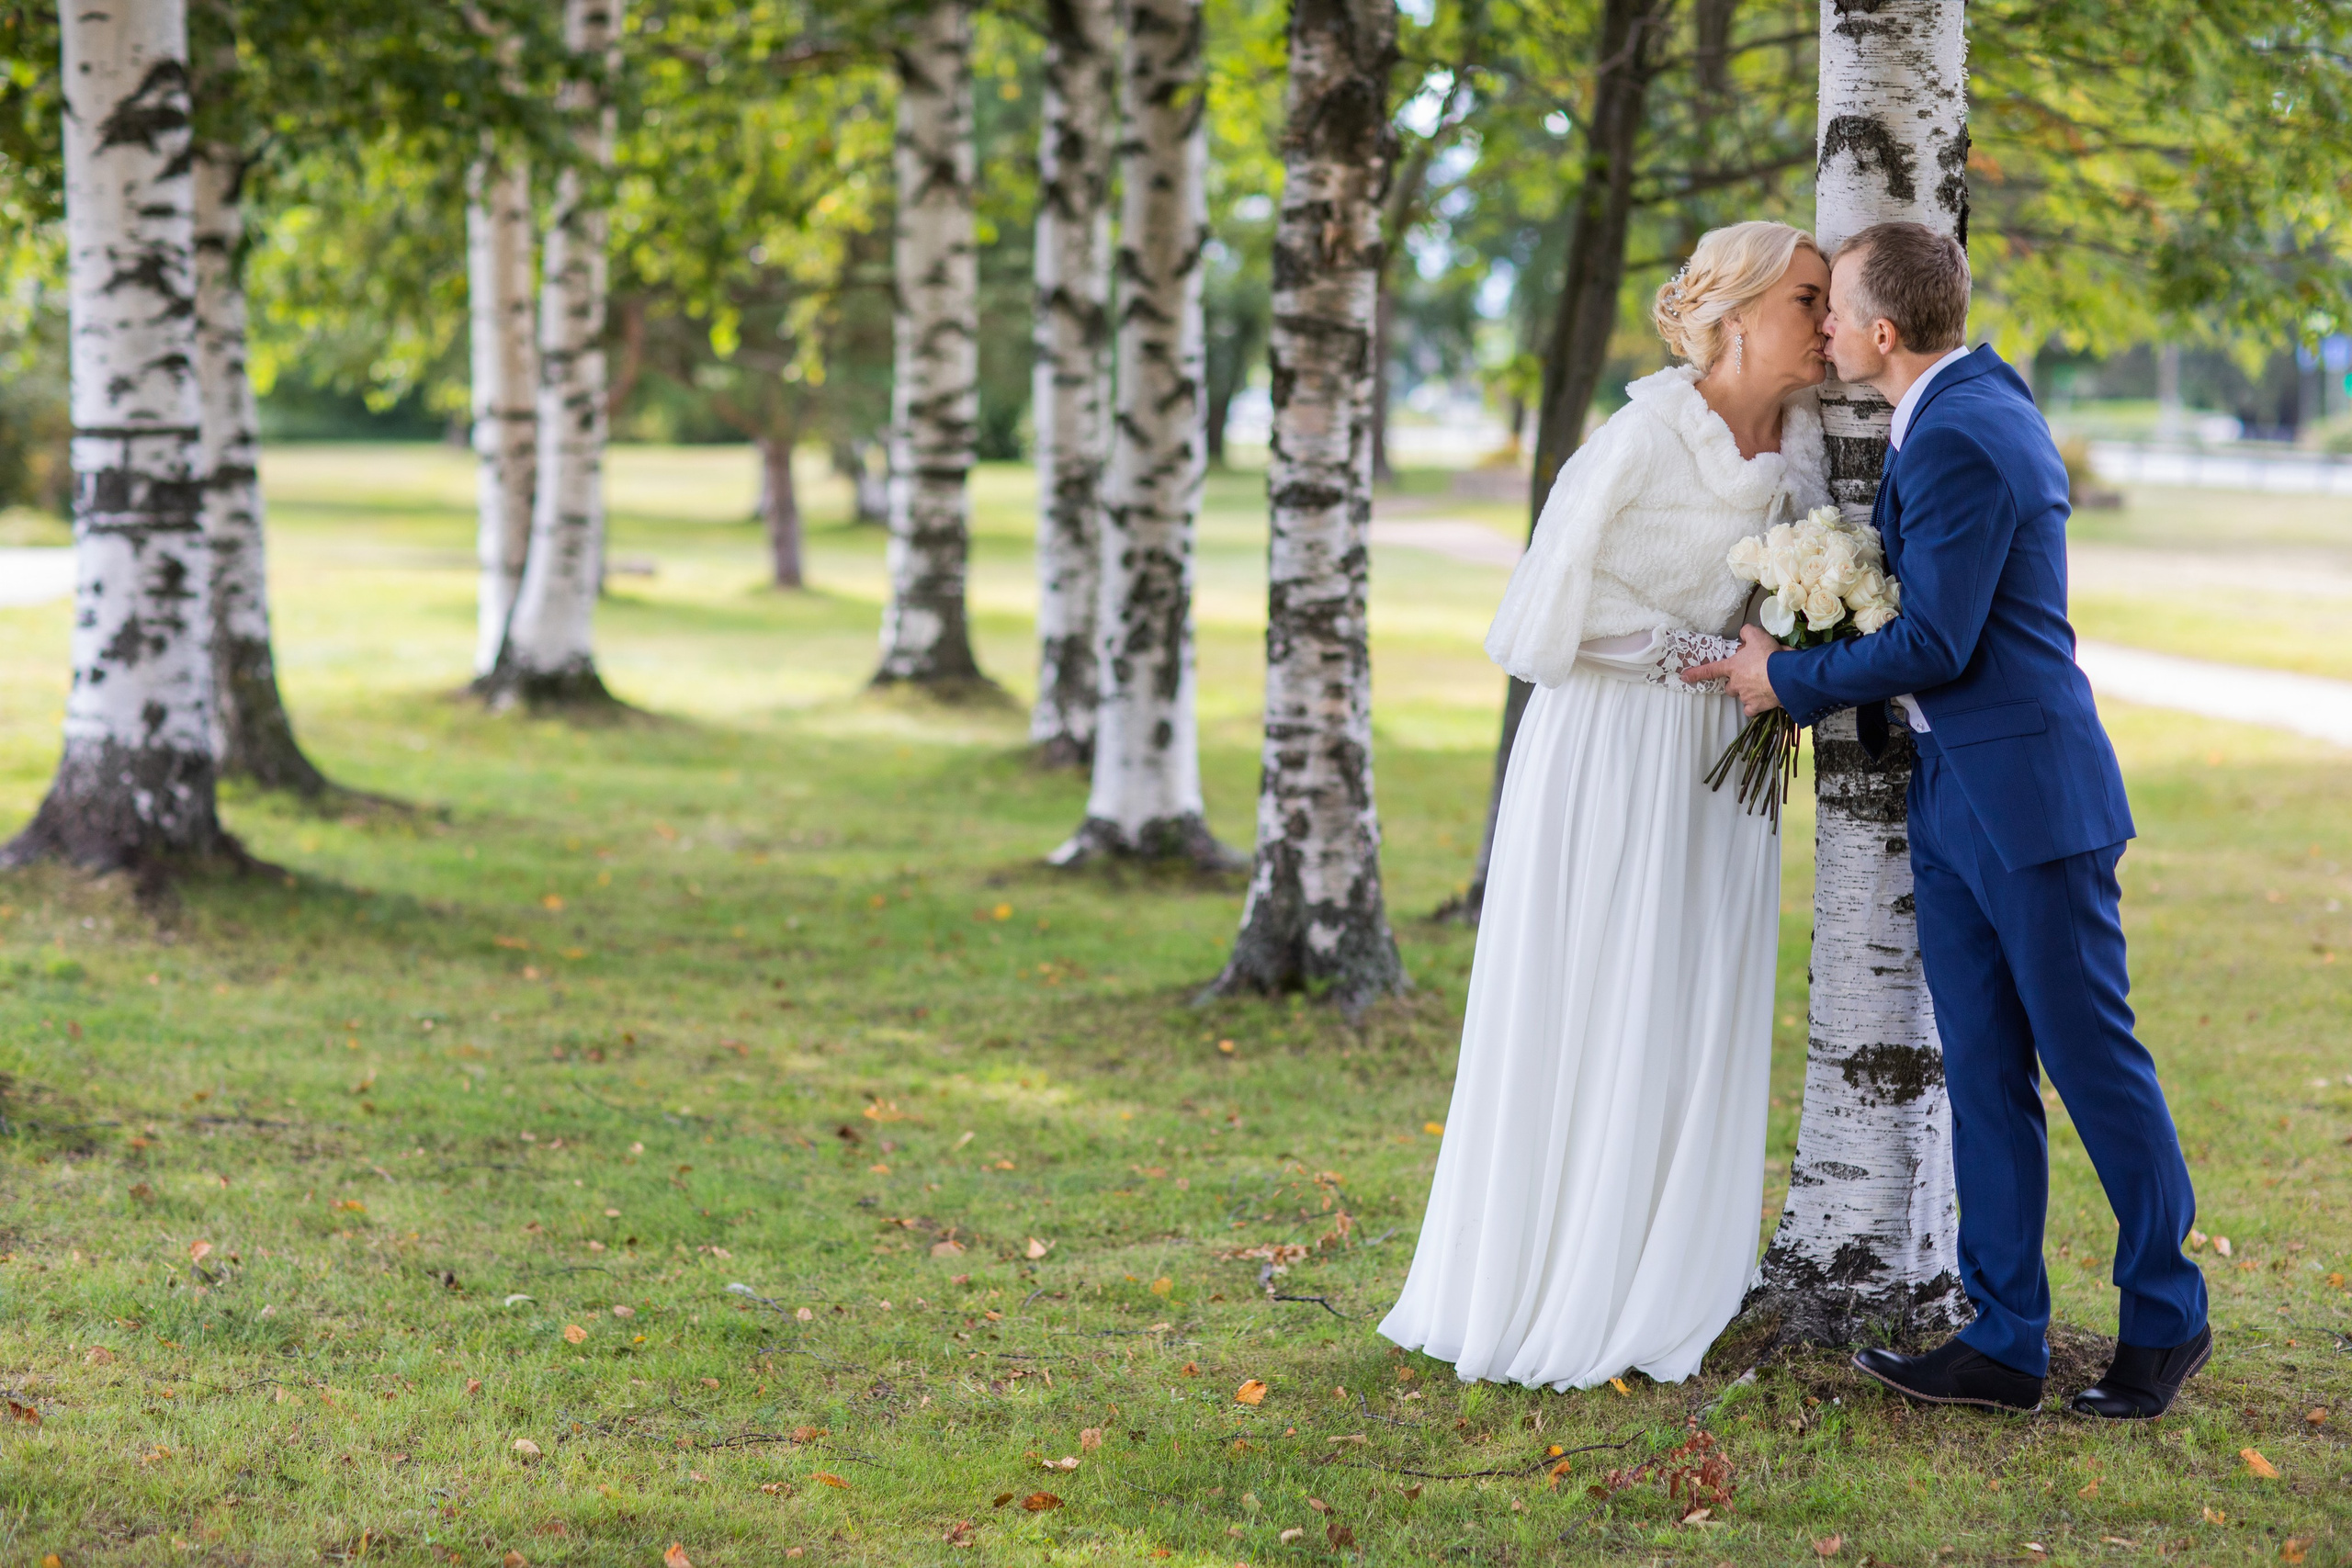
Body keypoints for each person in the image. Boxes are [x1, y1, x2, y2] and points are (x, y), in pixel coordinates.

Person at [1684, 220, 2211, 1418]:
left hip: (2029, 803)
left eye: (1834, 309)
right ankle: (2005, 1336)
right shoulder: (1958, 410)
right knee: (1982, 1072)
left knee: (2092, 1066)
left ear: (1881, 330)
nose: (1819, 328)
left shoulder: (1966, 431)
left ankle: (2168, 1319)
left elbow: (1939, 640)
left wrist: (1786, 678)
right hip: (1954, 790)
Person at [1378, 221, 1830, 1390]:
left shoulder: (1810, 443)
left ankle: (1675, 1266)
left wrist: (1786, 647)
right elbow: (1535, 626)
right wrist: (1707, 649)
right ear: (1731, 317)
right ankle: (1557, 1279)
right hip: (1609, 747)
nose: (1824, 323)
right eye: (1804, 299)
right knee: (1599, 991)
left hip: (1721, 759)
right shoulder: (1635, 441)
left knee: (1694, 993)